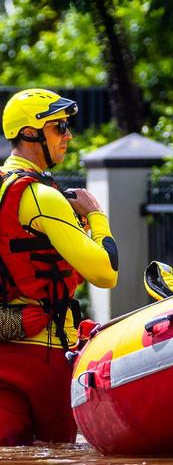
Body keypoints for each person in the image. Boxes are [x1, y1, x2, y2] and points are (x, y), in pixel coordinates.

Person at [0, 88, 118, 445]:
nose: (68, 135)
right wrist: (96, 217)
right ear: (29, 134)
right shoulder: (44, 197)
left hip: (4, 347)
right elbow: (105, 273)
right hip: (46, 355)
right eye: (59, 126)